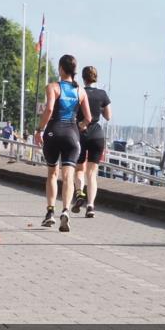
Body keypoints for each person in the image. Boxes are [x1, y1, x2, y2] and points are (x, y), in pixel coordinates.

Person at [34, 55, 91, 232]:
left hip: (54, 131)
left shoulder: (53, 87)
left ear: (60, 69)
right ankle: (65, 210)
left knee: (52, 173)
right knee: (68, 176)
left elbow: (49, 109)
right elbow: (88, 118)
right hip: (72, 134)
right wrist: (79, 127)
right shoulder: (80, 91)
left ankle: (50, 212)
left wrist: (39, 129)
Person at [71, 66, 112, 218]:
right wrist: (98, 109)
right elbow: (108, 116)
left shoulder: (79, 92)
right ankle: (90, 205)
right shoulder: (102, 94)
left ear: (83, 78)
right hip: (97, 136)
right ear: (96, 77)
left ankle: (79, 194)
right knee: (92, 173)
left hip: (80, 134)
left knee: (79, 169)